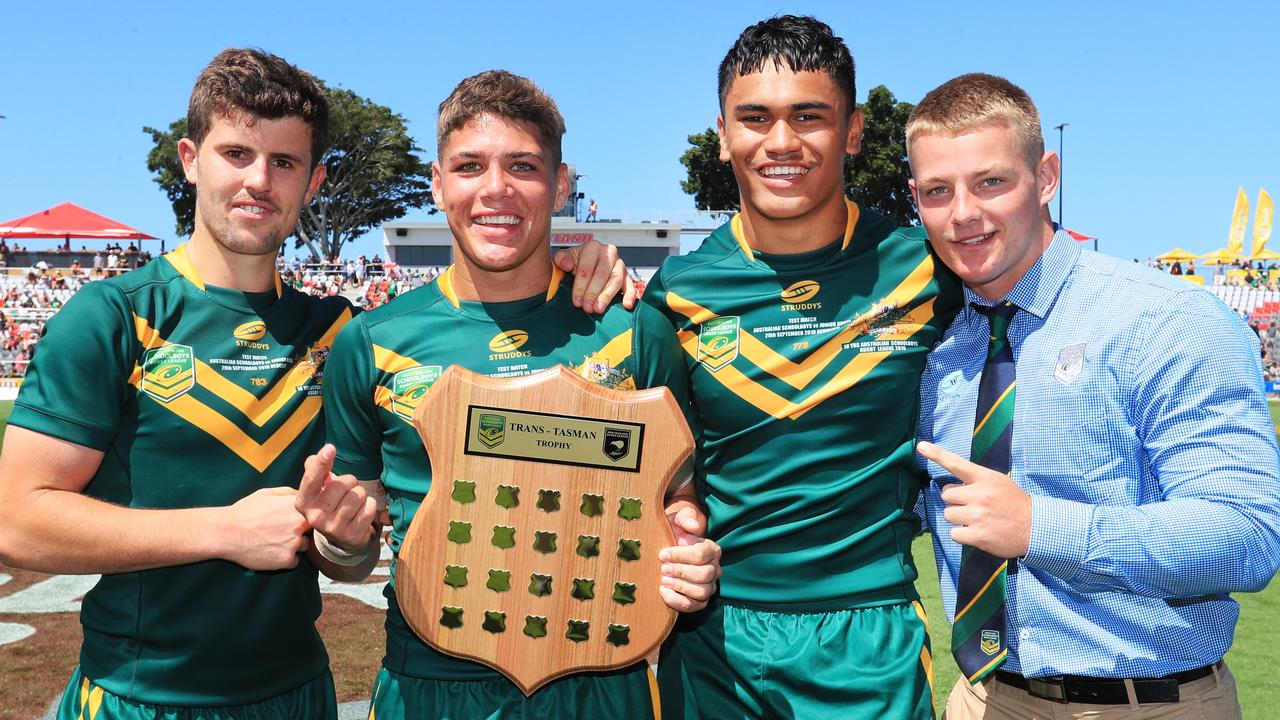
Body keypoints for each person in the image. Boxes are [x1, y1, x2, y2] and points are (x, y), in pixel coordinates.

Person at [316, 69, 721, 718]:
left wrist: (688, 546)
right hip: (429, 683)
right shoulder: (372, 341)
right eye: (470, 165)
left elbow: (677, 497)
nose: (495, 188)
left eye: (523, 165)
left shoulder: (633, 330)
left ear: (560, 184)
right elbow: (353, 536)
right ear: (437, 182)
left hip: (602, 675)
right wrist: (338, 539)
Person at [908, 73, 1280, 718]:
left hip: (1148, 703)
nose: (964, 211)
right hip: (982, 698)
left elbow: (1247, 537)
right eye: (939, 190)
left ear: (1046, 177)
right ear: (917, 198)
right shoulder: (932, 343)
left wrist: (1039, 528)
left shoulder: (1164, 317)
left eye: (992, 181)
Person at [646, 16, 962, 719]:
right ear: (724, 133)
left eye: (809, 117)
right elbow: (660, 468)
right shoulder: (676, 293)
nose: (781, 142)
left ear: (852, 131)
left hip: (868, 636)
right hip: (714, 640)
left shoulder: (929, 269)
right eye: (754, 118)